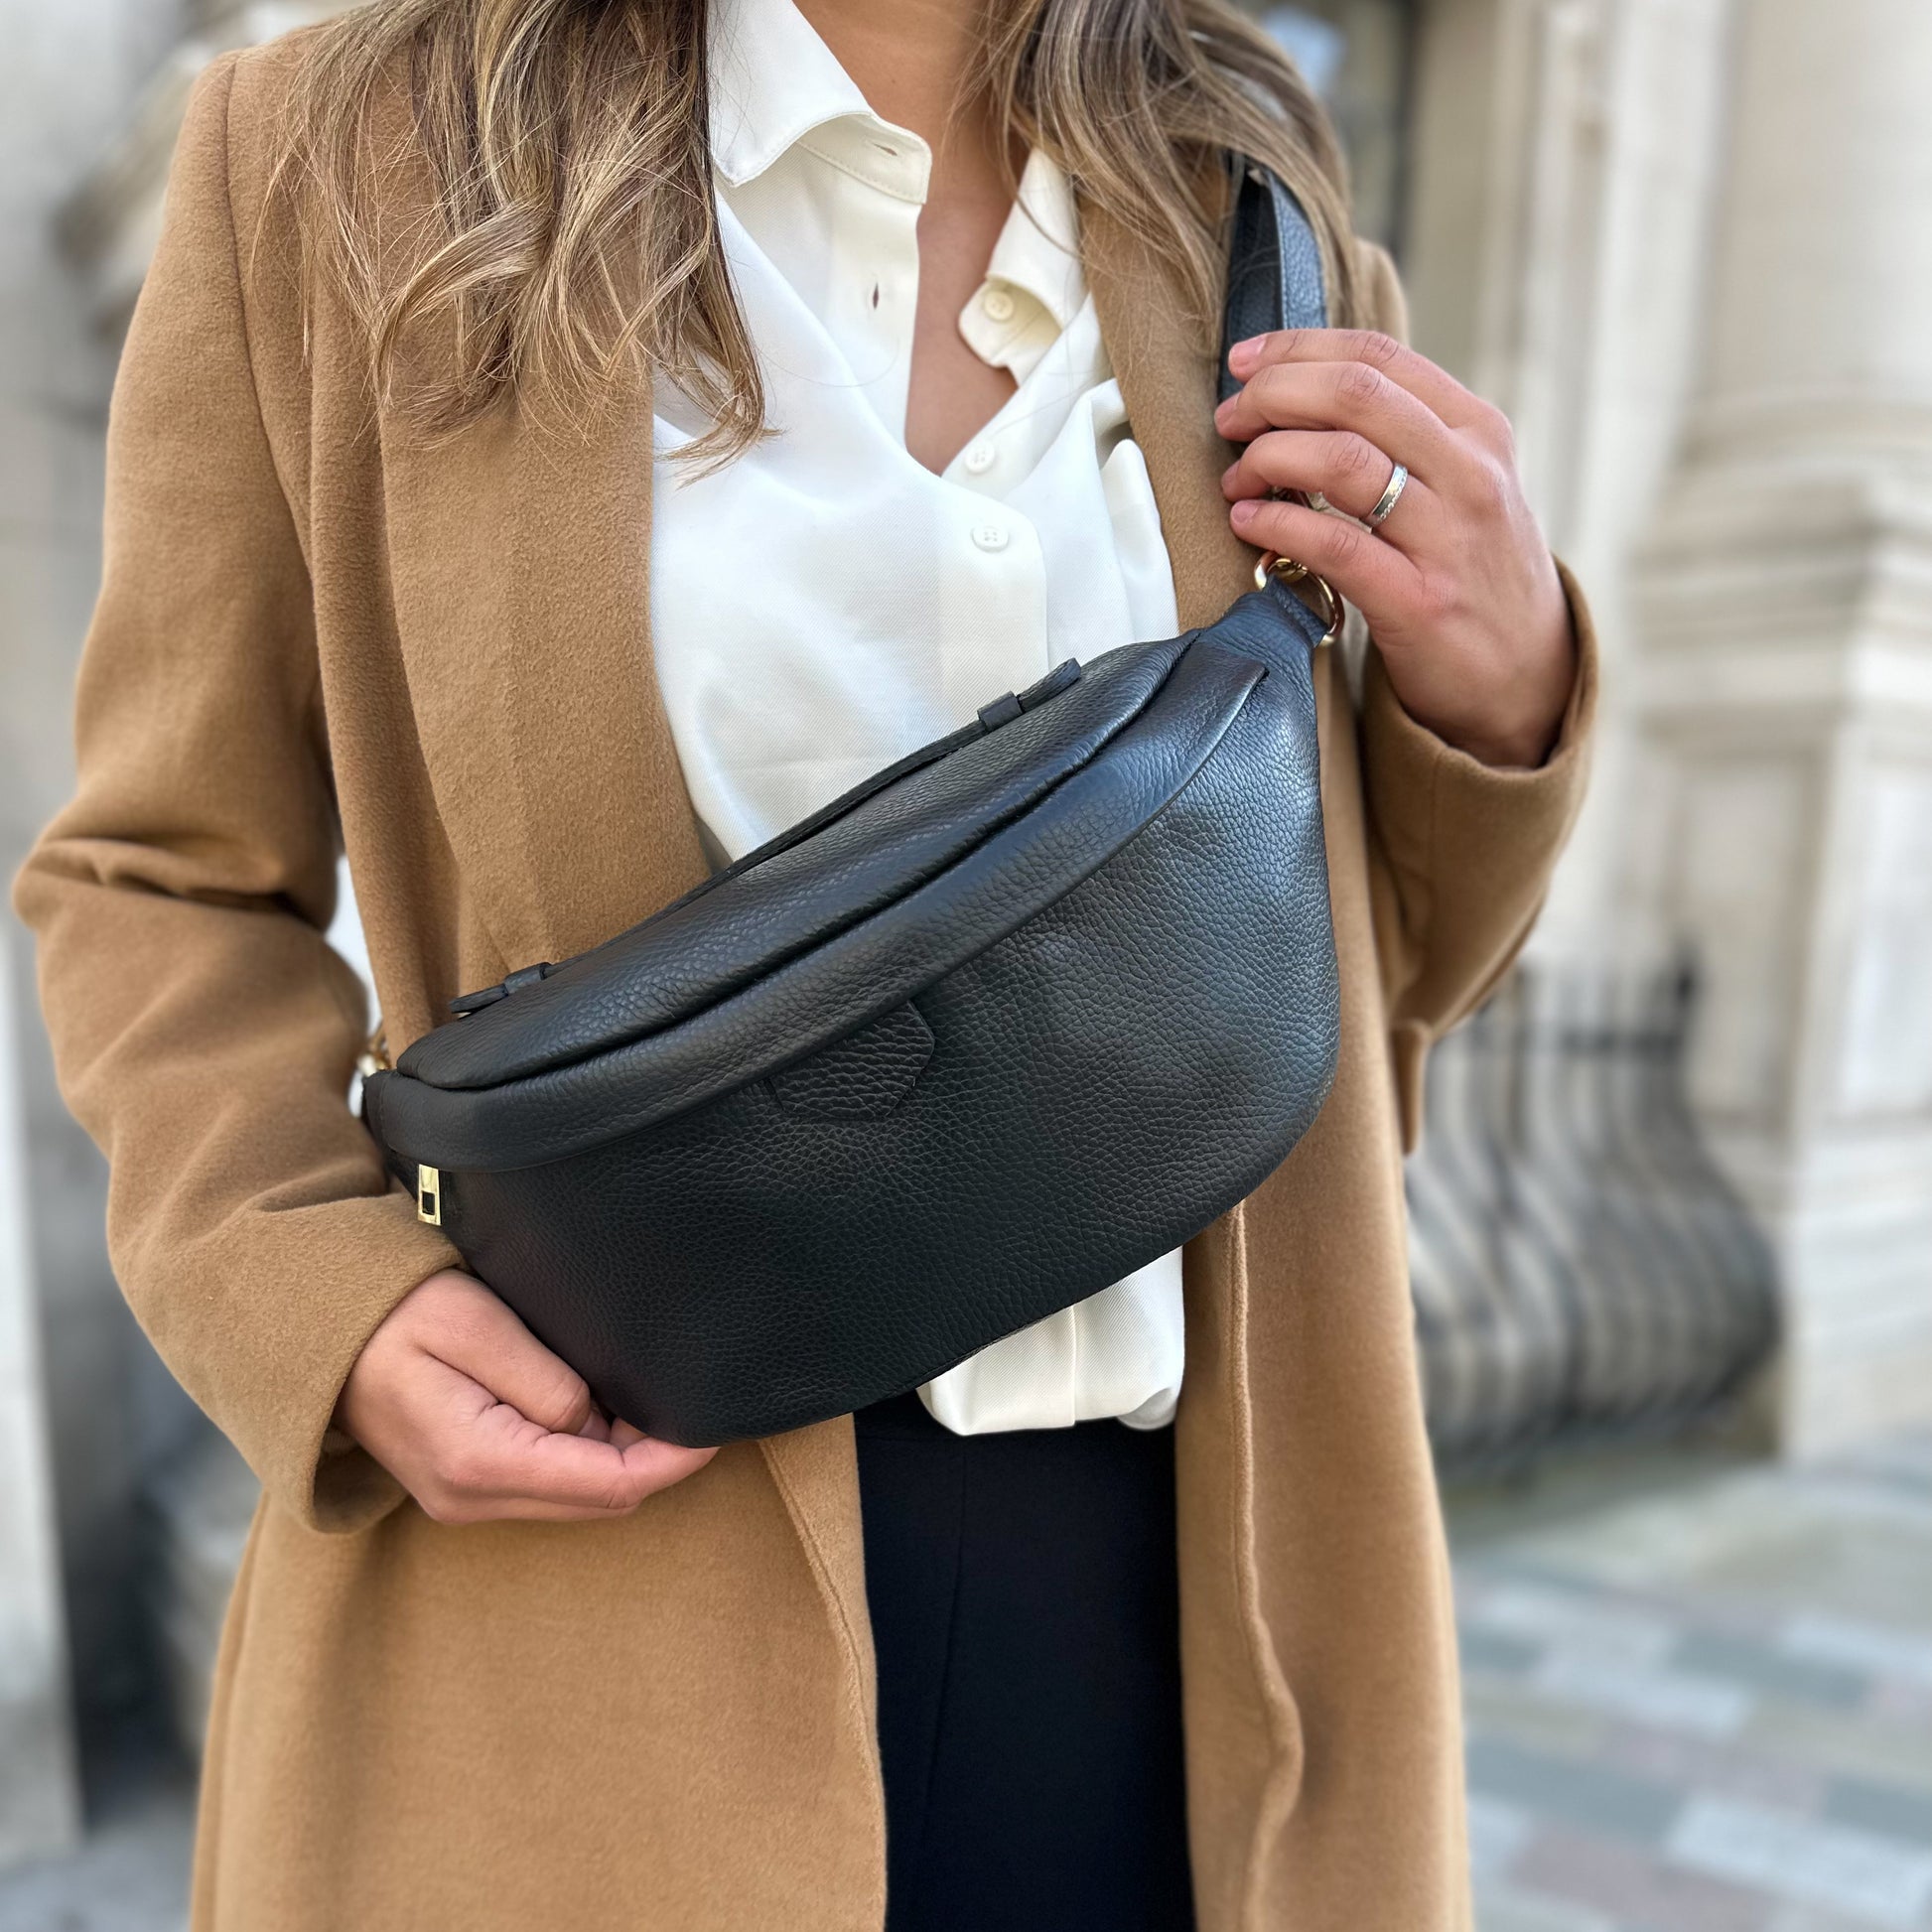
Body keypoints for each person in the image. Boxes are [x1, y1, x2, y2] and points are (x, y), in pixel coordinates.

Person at [15, 0, 1593, 1926]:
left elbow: (1340, 990)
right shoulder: (338, 161)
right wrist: (312, 1291)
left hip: (1190, 1632)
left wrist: (1494, 695)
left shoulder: (1254, 203)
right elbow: (155, 871)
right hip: (582, 1619)